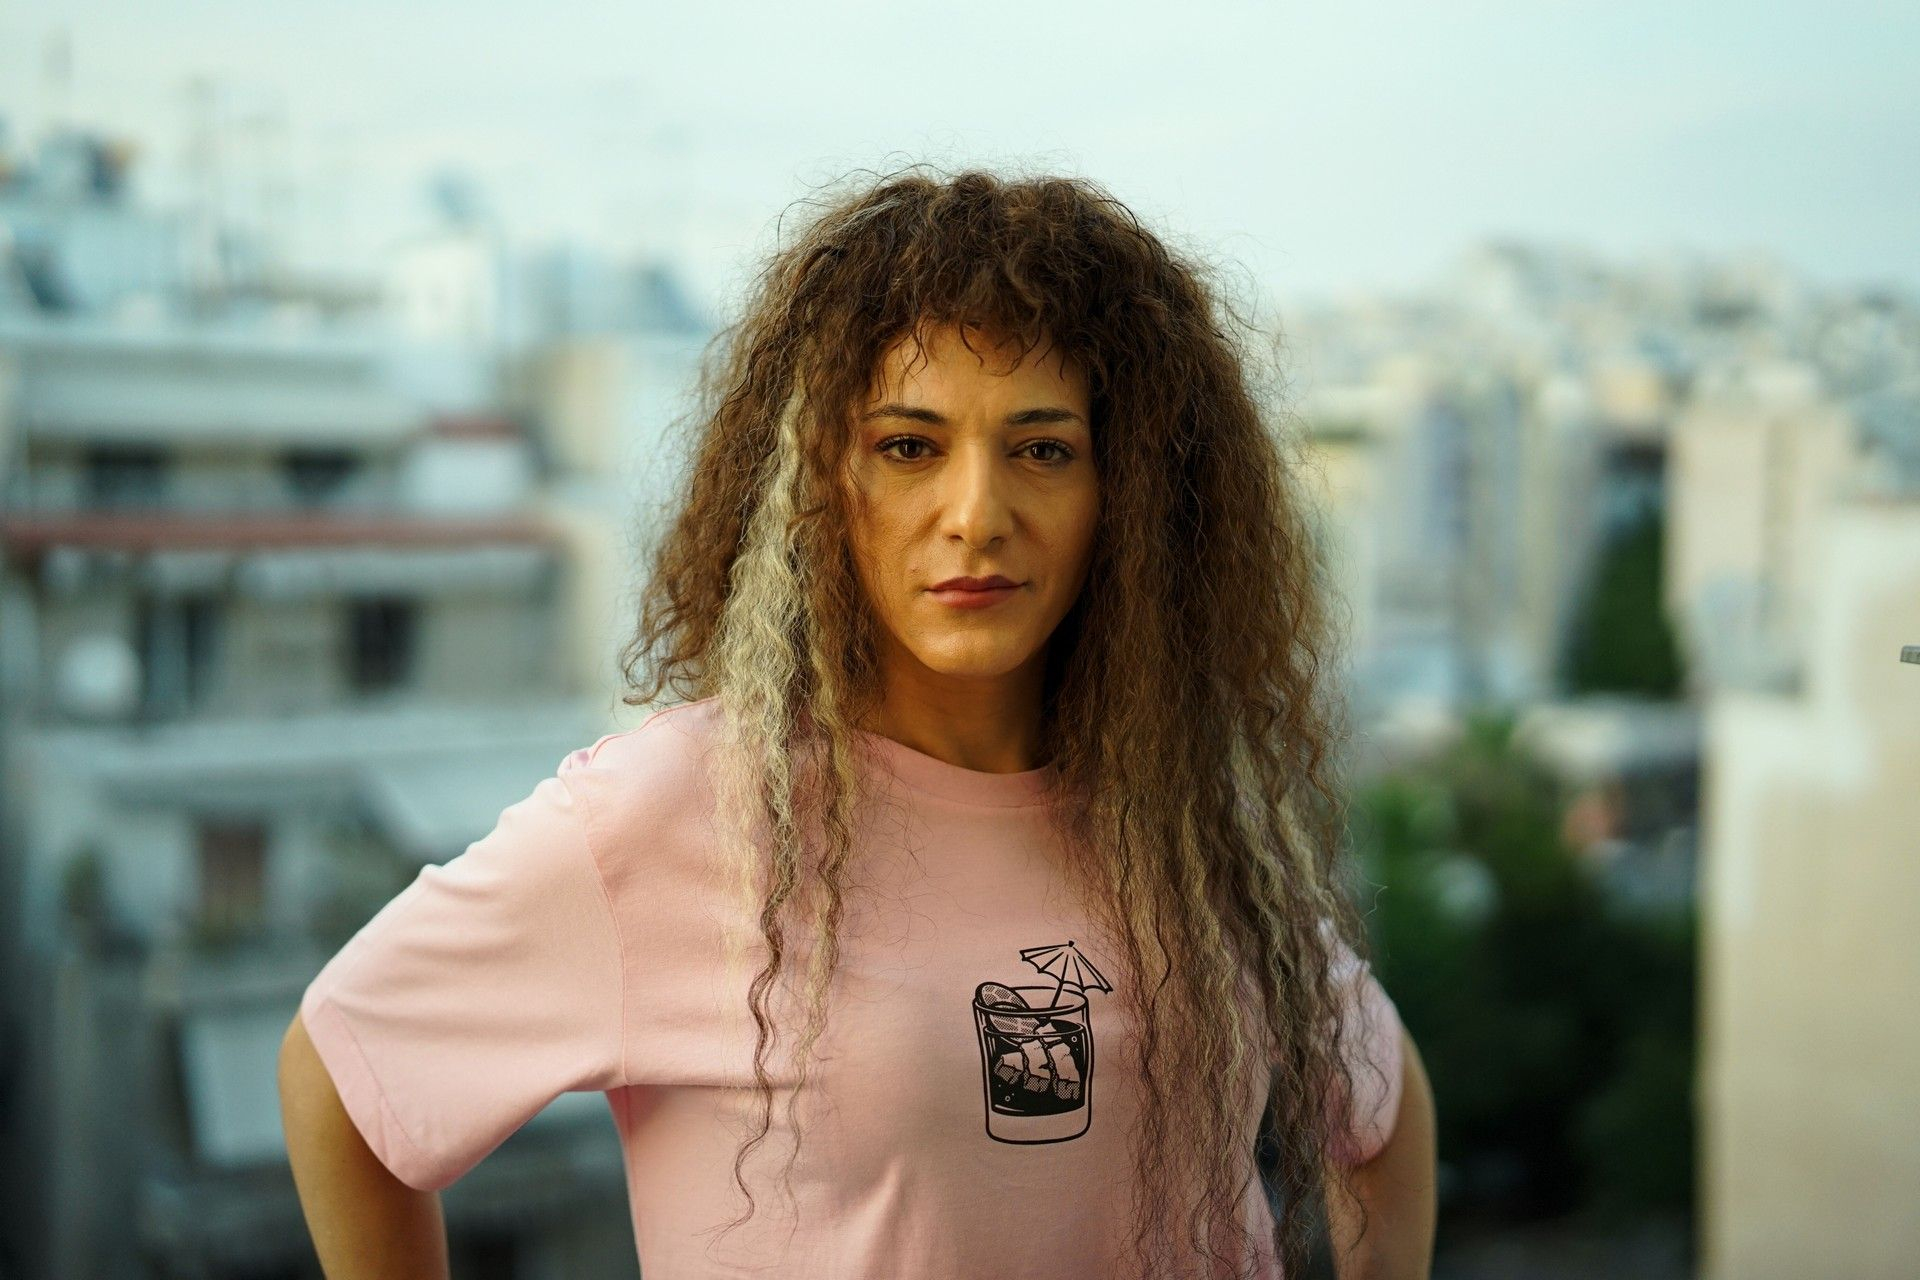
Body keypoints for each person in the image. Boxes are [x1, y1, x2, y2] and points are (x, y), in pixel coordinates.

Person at [279, 166, 1437, 1280]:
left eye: (1042, 449)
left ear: (1126, 495)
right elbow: (343, 1068)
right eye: (909, 447)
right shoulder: (673, 810)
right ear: (817, 485)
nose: (976, 513)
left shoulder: (1178, 815)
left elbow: (1381, 1101)